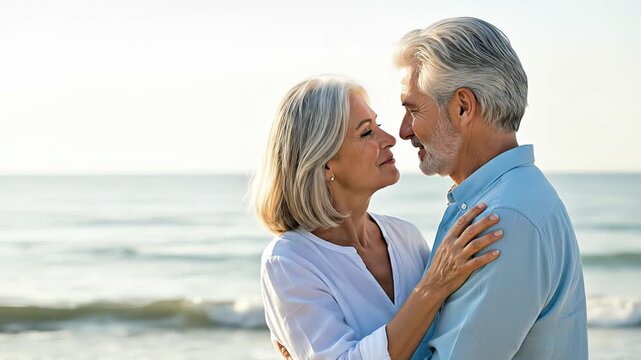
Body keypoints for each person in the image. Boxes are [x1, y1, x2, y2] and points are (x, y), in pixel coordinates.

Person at [253, 75, 504, 359]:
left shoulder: (405, 237)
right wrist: (433, 287)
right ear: (323, 164)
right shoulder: (289, 261)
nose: (390, 139)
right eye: (366, 133)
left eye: (378, 125)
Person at [395, 17, 588, 359]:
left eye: (413, 110)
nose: (404, 131)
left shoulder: (504, 218)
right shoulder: (506, 199)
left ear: (463, 107)